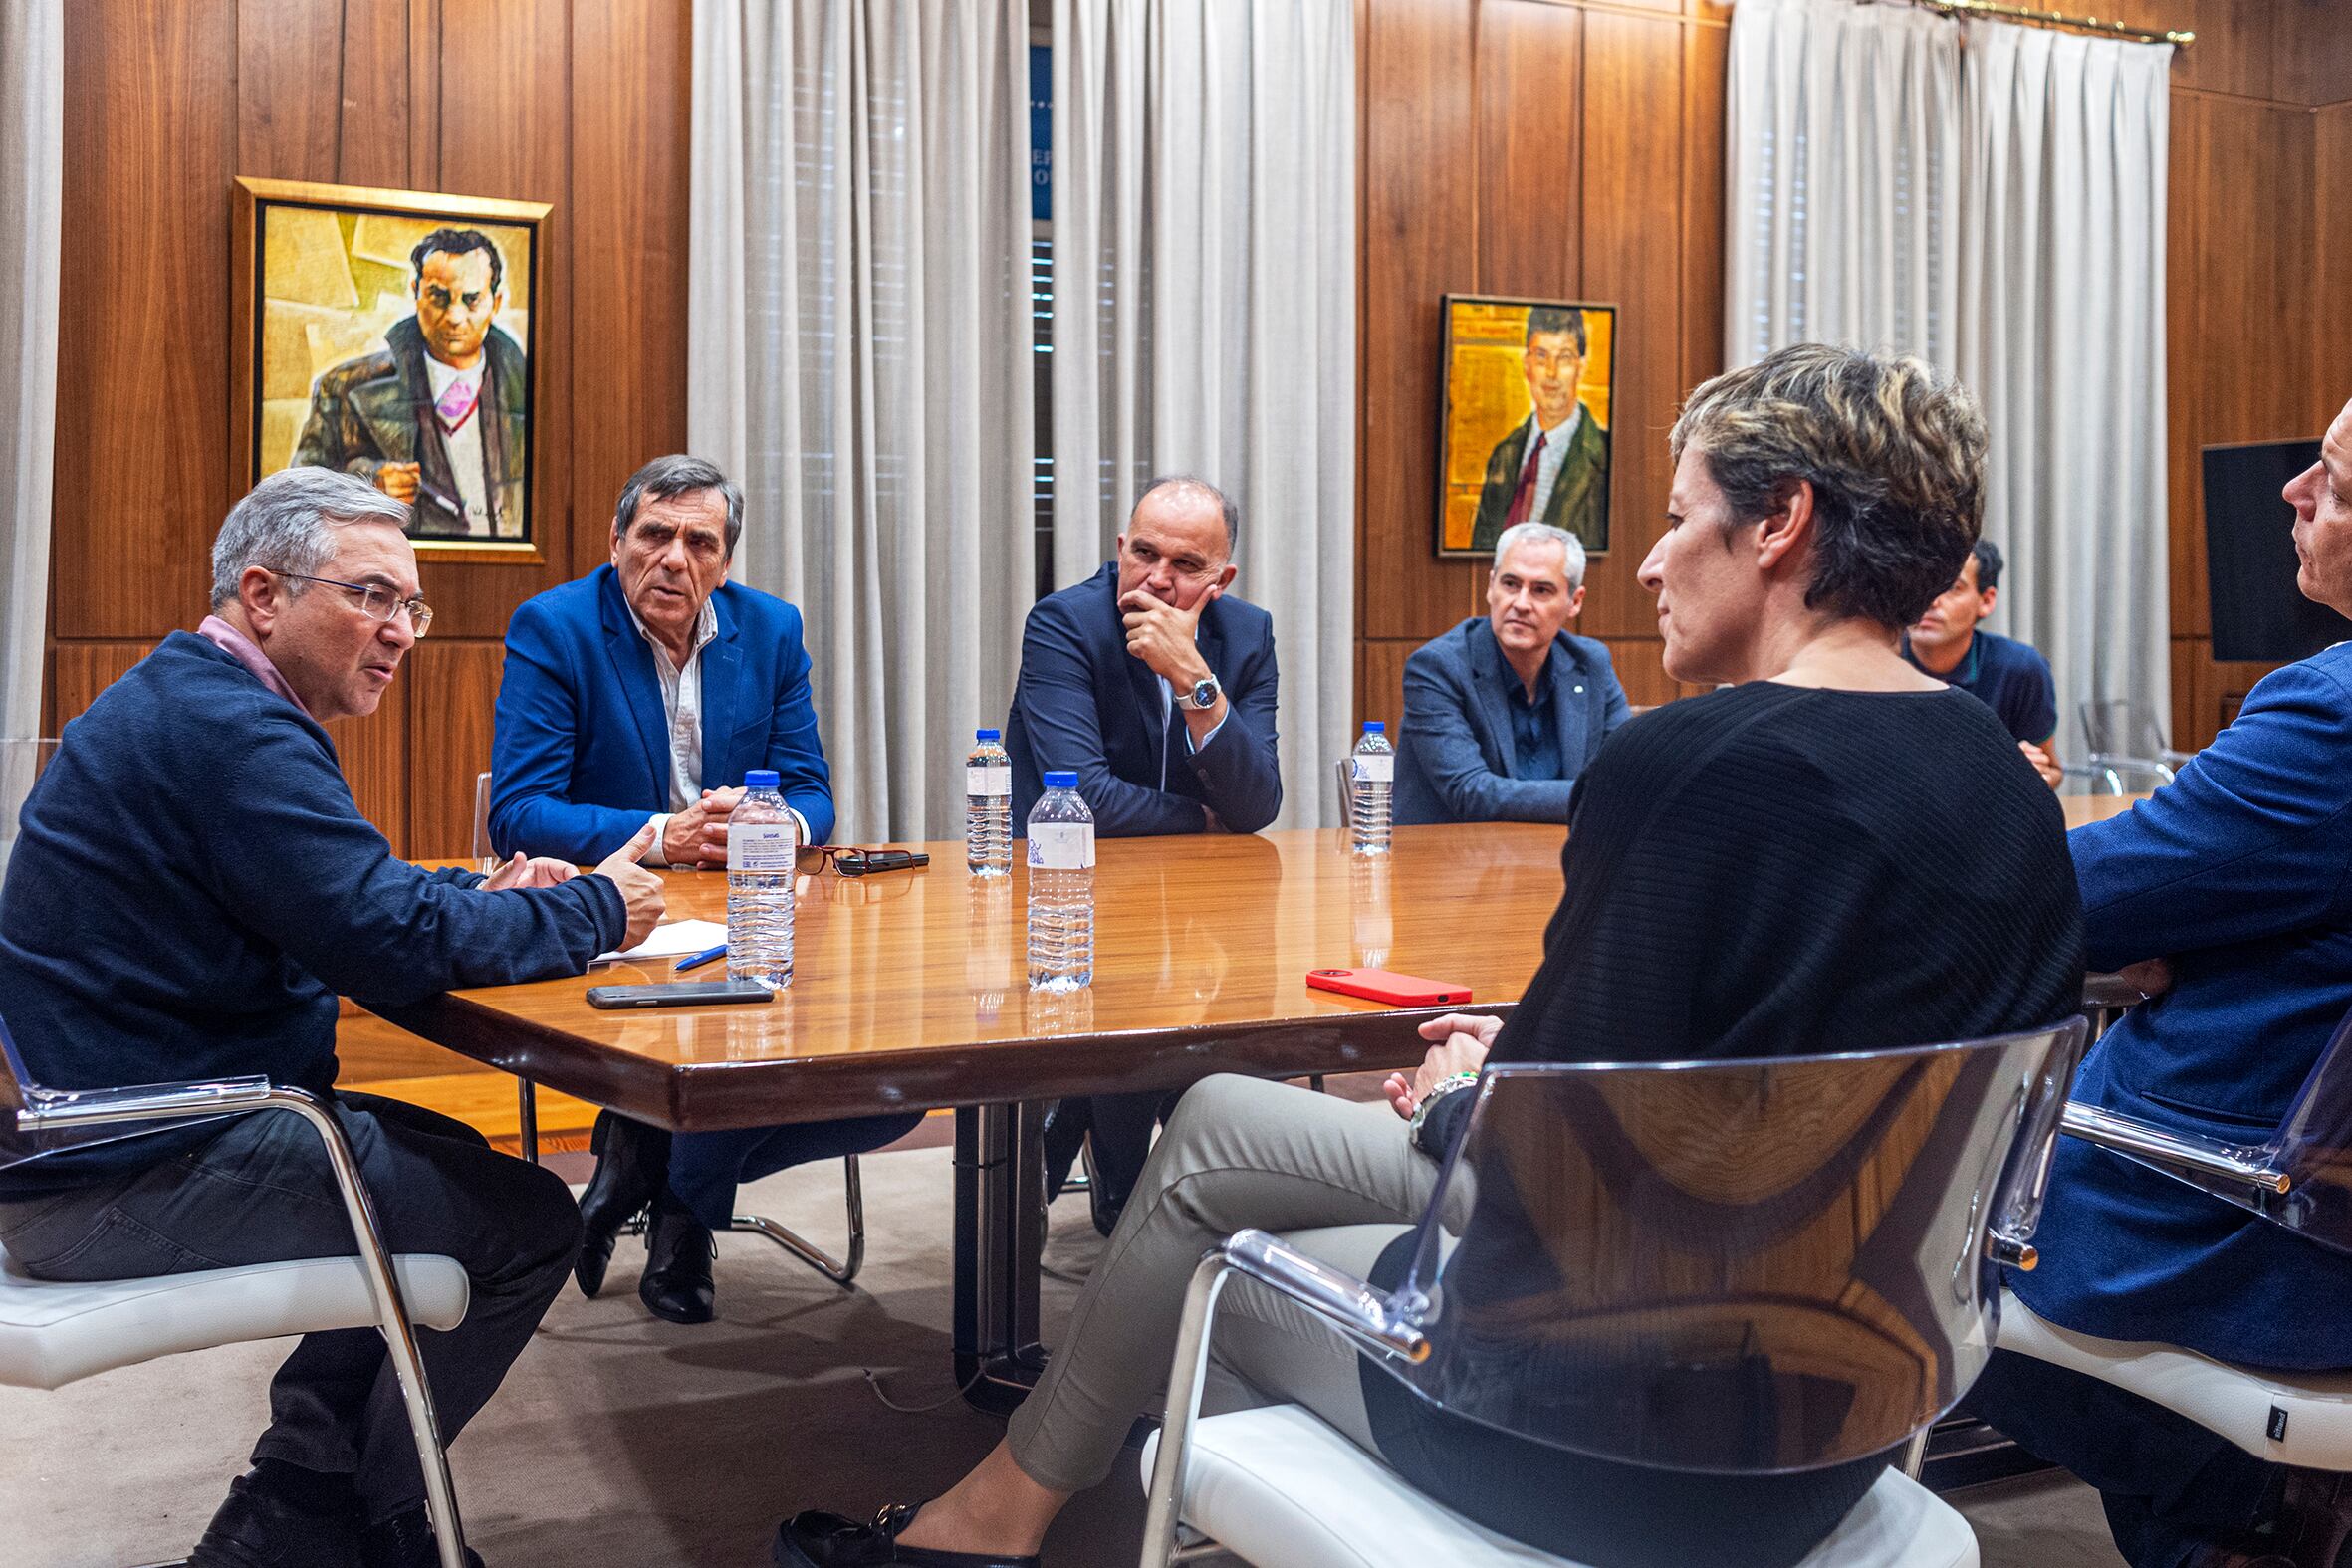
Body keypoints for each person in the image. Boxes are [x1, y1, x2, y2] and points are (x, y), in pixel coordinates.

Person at [774, 345, 2085, 1568]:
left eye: (1678, 518)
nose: (1646, 564)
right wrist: (1511, 1081)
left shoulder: (1687, 767)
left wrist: (1467, 1087)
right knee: (1233, 1132)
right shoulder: (2009, 781)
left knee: (1194, 1246)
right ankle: (1005, 1515)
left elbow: (1536, 1172)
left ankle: (993, 1522)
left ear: (1779, 521)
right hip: (1836, 1424)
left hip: (1590, 1430)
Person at [0, 468, 663, 1568]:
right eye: (371, 598)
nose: (401, 631)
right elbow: (383, 942)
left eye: (411, 605)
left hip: (108, 1137)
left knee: (448, 1162)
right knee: (527, 1223)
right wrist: (600, 905)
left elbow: (343, 891)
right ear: (262, 594)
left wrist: (480, 896)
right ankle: (359, 1520)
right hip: (116, 1173)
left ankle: (301, 1491)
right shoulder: (234, 734)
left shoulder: (198, 699)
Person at [1966, 393, 2352, 1568]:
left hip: (2228, 1231)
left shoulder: (2329, 716)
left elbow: (2051, 897)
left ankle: (2246, 1517)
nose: (2291, 493)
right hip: (2306, 1204)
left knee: (1846, 1228)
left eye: (2332, 482)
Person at [490, 454, 921, 1325]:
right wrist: (661, 833)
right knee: (726, 1050)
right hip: (618, 915)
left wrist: (771, 824)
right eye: (654, 535)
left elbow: (812, 794)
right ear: (617, 542)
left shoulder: (769, 631)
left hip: (748, 913)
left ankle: (641, 1158)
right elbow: (519, 812)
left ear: (725, 561)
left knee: (891, 1099)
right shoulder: (555, 627)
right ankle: (686, 1215)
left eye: (700, 541)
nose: (674, 559)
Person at [1004, 475, 1282, 1234]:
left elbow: (1258, 804)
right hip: (1065, 898)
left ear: (1221, 581)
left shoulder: (1245, 636)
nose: (1157, 579)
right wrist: (1202, 816)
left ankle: (1106, 1146)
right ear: (1119, 548)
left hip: (1194, 915)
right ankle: (1115, 1174)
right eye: (1145, 553)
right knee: (1142, 1014)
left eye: (1186, 566)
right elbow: (1080, 795)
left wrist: (1193, 679)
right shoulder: (1065, 623)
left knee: (1241, 1023)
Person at [293, 228, 527, 539]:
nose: (455, 316)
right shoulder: (344, 389)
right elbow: (293, 496)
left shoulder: (534, 391)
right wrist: (366, 484)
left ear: (495, 302)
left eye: (472, 300)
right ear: (416, 291)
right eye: (439, 297)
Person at [1394, 520, 1630, 824]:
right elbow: (1471, 793)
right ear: (1490, 587)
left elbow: (1625, 775)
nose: (1520, 604)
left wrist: (1609, 793)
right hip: (1448, 861)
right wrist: (1595, 795)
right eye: (1510, 584)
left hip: (1558, 858)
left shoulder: (1590, 664)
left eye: (1541, 590)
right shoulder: (1437, 668)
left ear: (1575, 601)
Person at [1903, 539, 2062, 785]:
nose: (1930, 600)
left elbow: (2052, 771)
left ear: (1986, 600)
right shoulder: (1875, 660)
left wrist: (2028, 771)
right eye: (1920, 582)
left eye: (1951, 587)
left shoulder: (2020, 668)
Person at [1467, 305, 1610, 554]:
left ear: (1582, 367)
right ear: (1527, 365)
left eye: (1564, 357)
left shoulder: (1605, 456)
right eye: (1542, 356)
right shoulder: (1505, 454)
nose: (1552, 373)